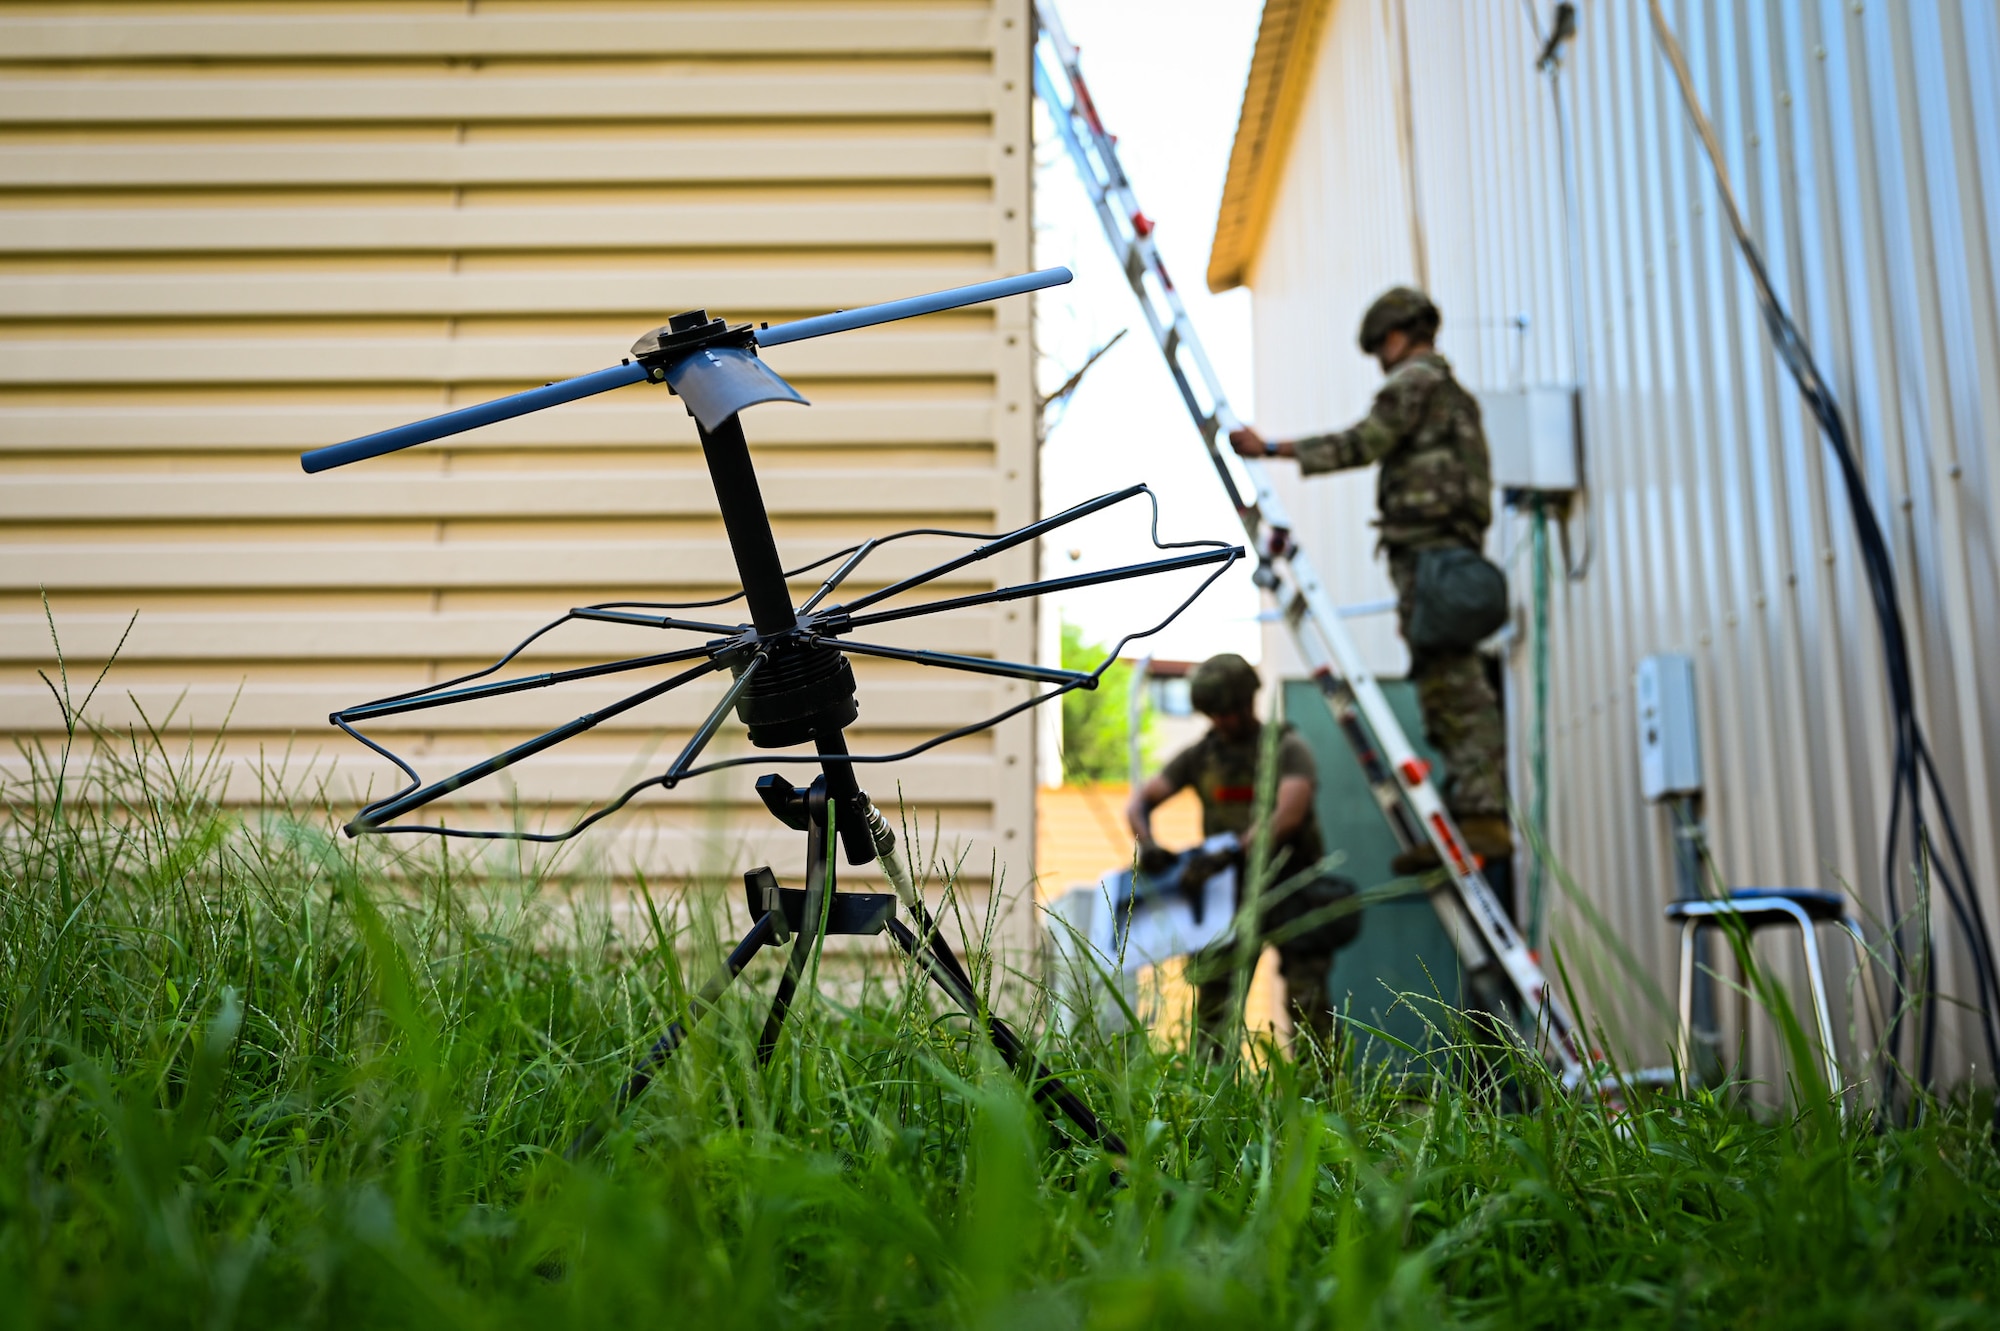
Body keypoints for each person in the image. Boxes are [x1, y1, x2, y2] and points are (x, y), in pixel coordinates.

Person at [1227, 287, 1514, 912]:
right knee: (1451, 677)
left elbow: (1365, 441)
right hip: (1448, 551)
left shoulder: (1414, 382)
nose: (1381, 360)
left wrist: (1272, 449)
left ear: (1398, 334)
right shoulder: (1453, 393)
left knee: (1451, 684)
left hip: (1431, 553)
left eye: (1381, 346)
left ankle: (1482, 814)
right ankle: (1473, 814)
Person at [1125, 652, 1357, 1049]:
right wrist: (1148, 845)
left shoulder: (1286, 747)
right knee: (1214, 1009)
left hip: (1290, 887)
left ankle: (1319, 1101)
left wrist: (1232, 852)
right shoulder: (1200, 755)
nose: (1221, 721)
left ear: (1247, 701)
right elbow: (1139, 803)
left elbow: (1288, 813)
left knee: (1309, 1006)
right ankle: (1211, 1101)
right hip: (1226, 896)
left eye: (1228, 711)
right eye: (1213, 713)